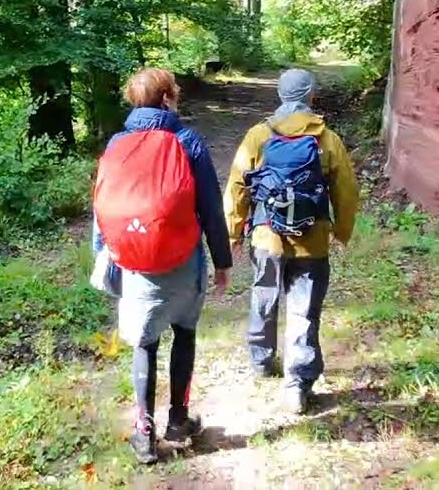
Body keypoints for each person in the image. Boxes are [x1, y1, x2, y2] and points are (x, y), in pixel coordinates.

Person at [92, 68, 232, 465]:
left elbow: (103, 207)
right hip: (184, 262)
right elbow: (210, 209)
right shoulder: (187, 141)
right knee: (184, 333)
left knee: (144, 342)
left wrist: (106, 253)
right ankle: (178, 421)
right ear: (168, 97)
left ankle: (142, 433)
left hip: (136, 265)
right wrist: (222, 261)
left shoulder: (117, 143)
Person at [224, 68, 360, 413]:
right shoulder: (326, 139)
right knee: (304, 310)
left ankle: (260, 360)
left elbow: (238, 184)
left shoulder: (258, 136)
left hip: (266, 235)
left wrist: (233, 231)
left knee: (263, 295)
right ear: (311, 96)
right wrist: (342, 230)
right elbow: (346, 190)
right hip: (311, 240)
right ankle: (297, 384)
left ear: (280, 95)